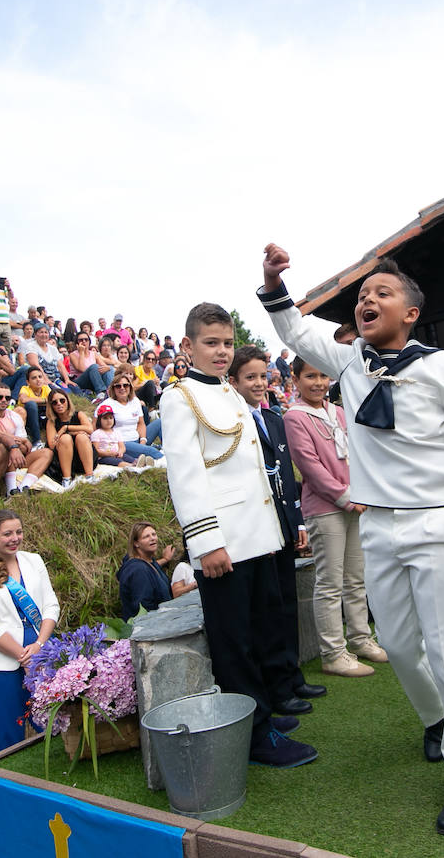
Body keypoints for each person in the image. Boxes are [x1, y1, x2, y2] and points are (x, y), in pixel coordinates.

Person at [260, 246, 444, 833]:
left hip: (438, 522)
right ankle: (437, 720)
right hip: (378, 524)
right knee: (401, 646)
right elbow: (295, 330)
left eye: (383, 292)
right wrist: (274, 285)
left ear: (411, 313)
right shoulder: (349, 361)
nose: (368, 299)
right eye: (362, 296)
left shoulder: (441, 365)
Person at [160, 302, 318, 770]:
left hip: (259, 536)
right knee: (235, 645)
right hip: (224, 542)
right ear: (188, 346)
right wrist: (206, 542)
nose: (222, 351)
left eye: (227, 343)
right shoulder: (180, 396)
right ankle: (252, 737)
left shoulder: (230, 392)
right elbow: (186, 475)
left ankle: (262, 713)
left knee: (262, 629)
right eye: (211, 343)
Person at [229, 347, 330, 702]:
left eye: (262, 376)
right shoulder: (234, 422)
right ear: (233, 382)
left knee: (287, 603)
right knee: (268, 610)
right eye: (250, 377)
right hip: (257, 530)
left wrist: (297, 520)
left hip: (283, 526)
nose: (258, 383)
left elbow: (287, 475)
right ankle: (276, 687)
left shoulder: (274, 419)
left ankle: (292, 675)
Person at [283, 354, 384, 677]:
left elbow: (357, 450)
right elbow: (310, 466)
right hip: (326, 507)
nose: (318, 383)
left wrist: (361, 492)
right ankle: (333, 653)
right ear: (295, 380)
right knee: (329, 583)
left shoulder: (338, 411)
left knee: (356, 577)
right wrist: (344, 496)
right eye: (310, 377)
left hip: (357, 502)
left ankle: (360, 639)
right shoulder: (294, 417)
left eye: (323, 376)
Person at [0, 510, 59, 751]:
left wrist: (38, 647)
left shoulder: (33, 560)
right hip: (0, 667)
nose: (14, 538)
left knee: (54, 726)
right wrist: (23, 655)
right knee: (10, 739)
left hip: (41, 654)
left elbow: (50, 604)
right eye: (7, 534)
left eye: (18, 532)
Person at [0, 384, 55, 496]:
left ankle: (23, 487)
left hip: (12, 458)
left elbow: (26, 446)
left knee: (47, 453)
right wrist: (18, 442)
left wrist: (20, 443)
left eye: (7, 398)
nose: (4, 400)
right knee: (6, 446)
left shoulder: (14, 416)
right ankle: (11, 490)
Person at [116, 522, 178, 619]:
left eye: (154, 534)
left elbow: (152, 567)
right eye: (146, 537)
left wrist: (165, 559)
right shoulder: (138, 570)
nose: (152, 538)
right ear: (136, 543)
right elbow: (144, 607)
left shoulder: (148, 562)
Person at [106, 370, 163, 461]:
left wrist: (143, 440)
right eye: (118, 386)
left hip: (138, 438)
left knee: (160, 422)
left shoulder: (135, 401)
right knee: (152, 451)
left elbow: (141, 423)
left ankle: (168, 449)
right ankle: (167, 464)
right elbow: (97, 428)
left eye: (125, 385)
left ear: (130, 387)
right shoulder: (107, 405)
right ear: (113, 388)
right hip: (122, 443)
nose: (122, 388)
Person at [45, 391, 94, 487]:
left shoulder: (78, 414)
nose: (59, 404)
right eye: (55, 402)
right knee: (66, 439)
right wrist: (68, 435)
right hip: (63, 458)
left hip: (82, 455)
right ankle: (66, 479)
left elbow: (90, 429)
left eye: (62, 400)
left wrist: (66, 428)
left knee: (81, 437)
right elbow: (52, 444)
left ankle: (90, 476)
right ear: (51, 406)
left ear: (67, 401)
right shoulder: (52, 422)